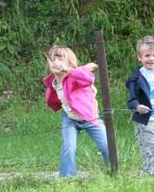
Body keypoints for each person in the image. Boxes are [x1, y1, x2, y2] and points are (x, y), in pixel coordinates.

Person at [43, 46, 109, 178]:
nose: (55, 61)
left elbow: (88, 79)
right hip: (70, 118)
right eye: (53, 58)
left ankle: (114, 171)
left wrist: (68, 70)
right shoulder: (52, 82)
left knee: (106, 145)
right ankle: (67, 178)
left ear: (69, 62)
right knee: (68, 146)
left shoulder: (74, 75)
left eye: (60, 58)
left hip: (89, 117)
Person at [126, 36, 154, 175]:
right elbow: (132, 100)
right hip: (146, 120)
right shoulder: (137, 78)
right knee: (152, 146)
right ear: (140, 57)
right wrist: (138, 107)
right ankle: (151, 174)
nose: (152, 59)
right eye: (147, 55)